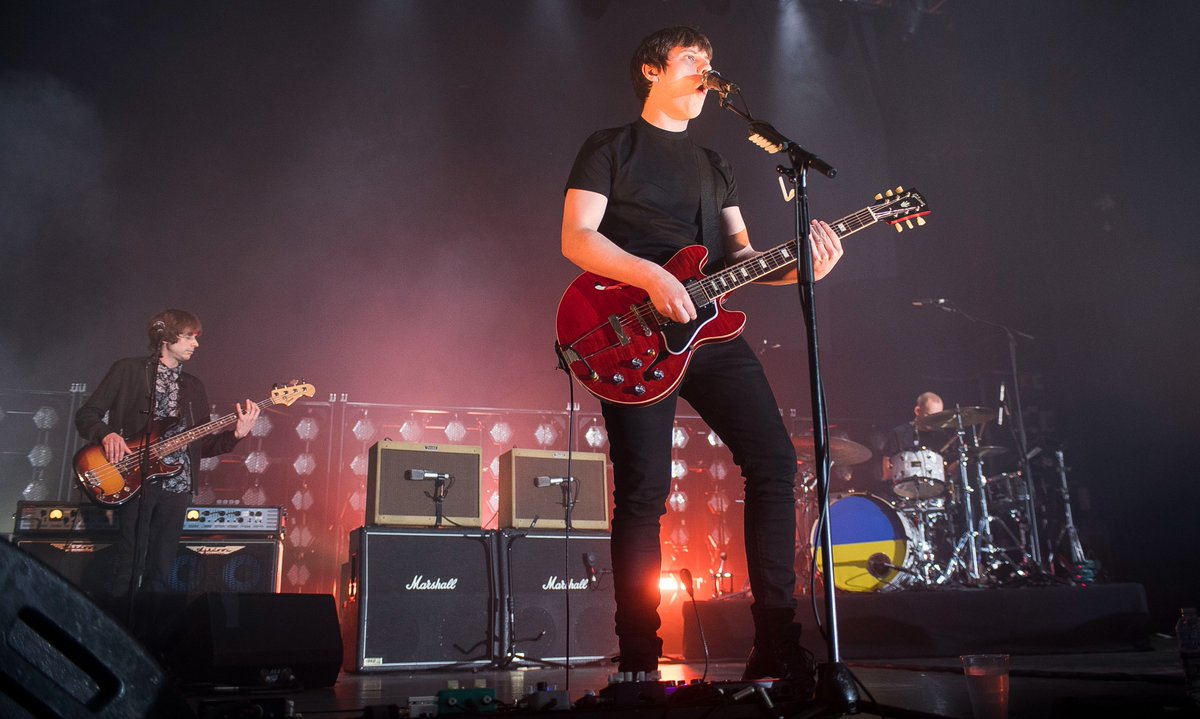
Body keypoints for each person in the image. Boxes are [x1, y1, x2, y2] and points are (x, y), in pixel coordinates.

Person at [561, 26, 844, 687]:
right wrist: (653, 277)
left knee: (776, 462)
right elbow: (577, 237)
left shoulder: (715, 164)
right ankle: (638, 657)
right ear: (653, 69)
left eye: (712, 62)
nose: (707, 72)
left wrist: (804, 269)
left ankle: (776, 640)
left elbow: (741, 261)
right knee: (643, 491)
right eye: (693, 60)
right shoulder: (610, 147)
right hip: (632, 326)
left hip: (709, 328)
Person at [75, 309, 260, 598]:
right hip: (133, 477)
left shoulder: (194, 386)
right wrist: (107, 433)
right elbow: (87, 414)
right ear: (167, 338)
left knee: (161, 572)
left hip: (178, 486)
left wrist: (236, 435)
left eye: (196, 338)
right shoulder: (128, 370)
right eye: (188, 337)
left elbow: (201, 446)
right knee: (128, 563)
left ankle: (150, 637)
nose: (195, 344)